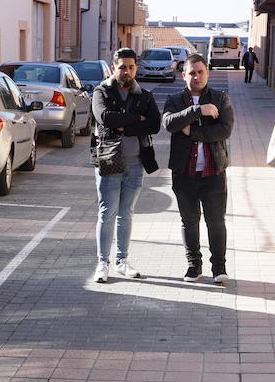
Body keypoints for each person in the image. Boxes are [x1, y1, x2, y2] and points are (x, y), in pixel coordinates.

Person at [90, 48, 162, 283]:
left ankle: (122, 261)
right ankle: (103, 263)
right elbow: (105, 118)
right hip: (110, 160)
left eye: (131, 67)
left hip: (136, 162)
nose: (127, 71)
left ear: (136, 68)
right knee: (107, 212)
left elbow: (154, 124)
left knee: (126, 213)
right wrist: (136, 120)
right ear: (114, 67)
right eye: (122, 66)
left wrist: (125, 125)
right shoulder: (101, 91)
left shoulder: (144, 95)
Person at [163, 53, 235, 285]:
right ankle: (194, 265)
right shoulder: (174, 100)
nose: (196, 76)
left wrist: (191, 132)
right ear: (183, 75)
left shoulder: (221, 98)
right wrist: (198, 111)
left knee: (216, 221)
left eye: (200, 71)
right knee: (189, 221)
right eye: (191, 72)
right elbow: (169, 123)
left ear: (207, 73)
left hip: (214, 172)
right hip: (184, 173)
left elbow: (224, 130)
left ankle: (219, 268)